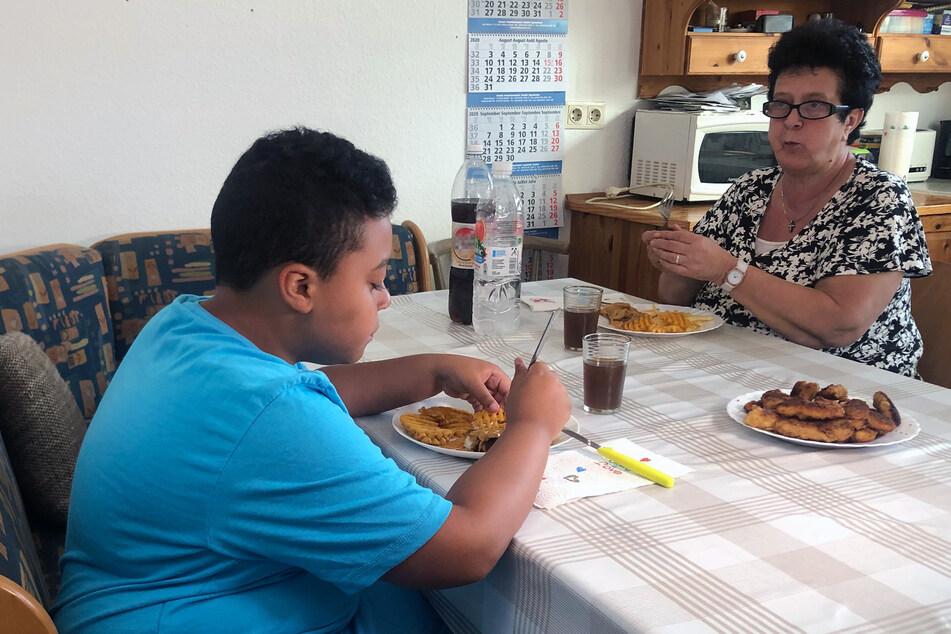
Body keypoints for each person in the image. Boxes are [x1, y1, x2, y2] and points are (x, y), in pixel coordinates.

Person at [52, 128, 572, 633]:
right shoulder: (273, 416)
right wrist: (530, 425)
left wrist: (433, 369)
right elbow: (466, 550)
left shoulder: (186, 325)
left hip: (151, 594)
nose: (386, 298)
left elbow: (315, 394)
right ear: (300, 286)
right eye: (372, 281)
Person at [641, 17, 932, 377]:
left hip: (841, 394)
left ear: (851, 121)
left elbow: (838, 325)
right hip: (726, 371)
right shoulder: (750, 189)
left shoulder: (878, 198)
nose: (790, 121)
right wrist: (676, 259)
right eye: (781, 104)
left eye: (813, 106)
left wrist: (726, 269)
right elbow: (674, 299)